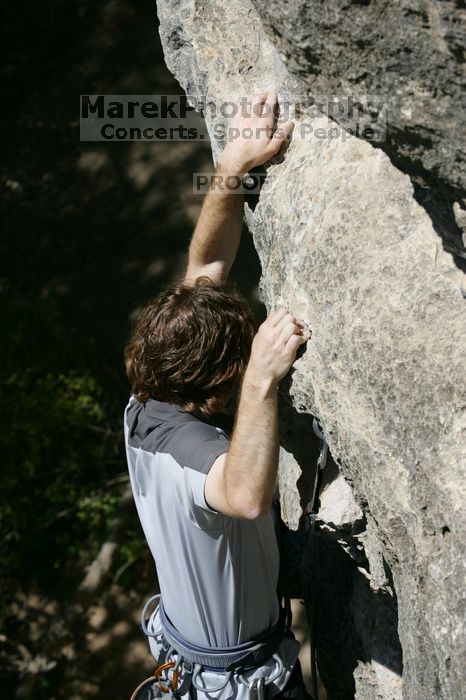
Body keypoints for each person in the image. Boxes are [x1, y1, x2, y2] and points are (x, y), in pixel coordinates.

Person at [124, 89, 313, 699]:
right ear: (217, 384)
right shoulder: (190, 455)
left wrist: (231, 168)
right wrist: (260, 378)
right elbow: (244, 496)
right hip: (233, 683)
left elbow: (205, 269)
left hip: (202, 657)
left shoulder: (149, 396)